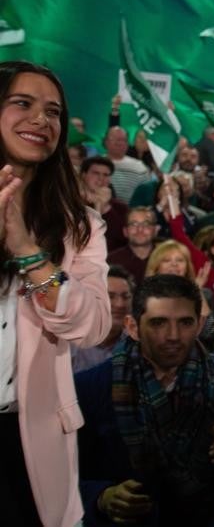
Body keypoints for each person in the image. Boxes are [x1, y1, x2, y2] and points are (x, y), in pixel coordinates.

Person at [0, 60, 111, 526]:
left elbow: (93, 326)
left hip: (27, 440)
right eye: (23, 104)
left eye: (54, 112)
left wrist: (27, 250)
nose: (41, 120)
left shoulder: (80, 227)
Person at [75, 274, 214, 526]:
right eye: (158, 323)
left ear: (200, 325)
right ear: (132, 327)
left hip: (209, 513)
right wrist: (102, 497)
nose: (173, 335)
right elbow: (67, 478)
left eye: (185, 323)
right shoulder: (91, 386)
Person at [72, 267, 135, 372]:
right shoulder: (68, 343)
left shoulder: (136, 345)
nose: (120, 304)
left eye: (125, 296)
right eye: (110, 296)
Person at [80, 156, 131, 252]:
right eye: (96, 173)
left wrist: (106, 208)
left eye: (106, 175)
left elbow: (123, 239)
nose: (101, 178)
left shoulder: (121, 208)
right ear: (83, 175)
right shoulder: (72, 204)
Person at [106, 206, 158, 285]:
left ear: (155, 230)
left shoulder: (166, 259)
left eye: (146, 224)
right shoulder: (111, 261)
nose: (140, 229)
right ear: (125, 231)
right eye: (133, 224)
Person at [101, 125, 152, 203]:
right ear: (106, 141)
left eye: (123, 140)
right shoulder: (95, 164)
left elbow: (146, 196)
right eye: (116, 139)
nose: (119, 143)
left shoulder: (140, 167)